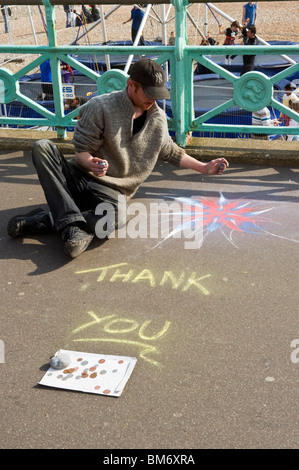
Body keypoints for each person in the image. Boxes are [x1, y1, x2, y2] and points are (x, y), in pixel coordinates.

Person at [7, 59, 228, 259]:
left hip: (112, 193)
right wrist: (90, 163)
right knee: (42, 147)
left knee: (117, 219)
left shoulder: (157, 118)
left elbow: (169, 151)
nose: (153, 99)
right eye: (148, 92)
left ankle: (55, 220)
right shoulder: (100, 106)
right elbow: (82, 152)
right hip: (79, 178)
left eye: (157, 93)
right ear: (132, 85)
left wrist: (204, 168)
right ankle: (72, 229)